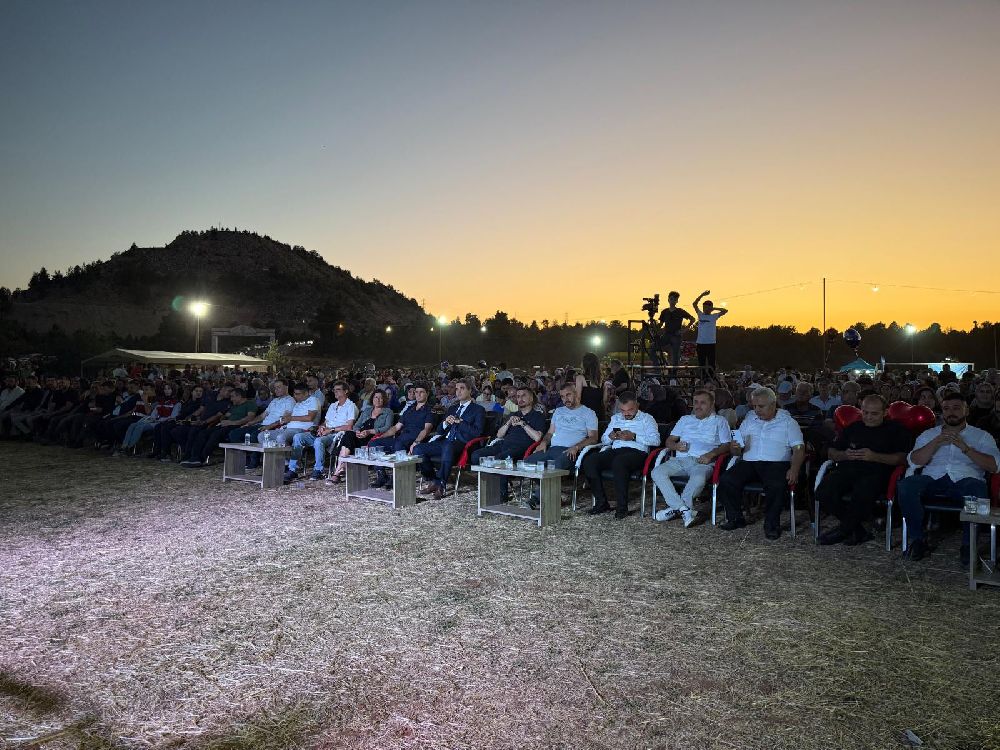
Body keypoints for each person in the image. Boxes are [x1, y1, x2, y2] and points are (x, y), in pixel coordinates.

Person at [896, 392, 1000, 564]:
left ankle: (968, 545)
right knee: (907, 485)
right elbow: (914, 461)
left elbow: (995, 466)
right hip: (932, 478)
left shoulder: (981, 436)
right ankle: (917, 540)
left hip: (966, 479)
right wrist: (935, 442)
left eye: (956, 408)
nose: (951, 412)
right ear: (941, 411)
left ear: (966, 410)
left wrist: (966, 449)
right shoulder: (929, 434)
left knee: (977, 489)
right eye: (946, 408)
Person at [815, 395, 911, 545]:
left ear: (885, 412)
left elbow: (902, 459)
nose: (869, 417)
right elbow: (831, 452)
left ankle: (844, 530)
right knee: (823, 492)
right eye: (865, 412)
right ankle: (857, 530)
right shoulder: (854, 427)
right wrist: (844, 455)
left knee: (863, 491)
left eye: (874, 414)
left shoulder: (896, 430)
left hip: (878, 472)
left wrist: (874, 456)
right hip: (848, 469)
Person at [717, 386, 805, 540]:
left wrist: (794, 468)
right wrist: (735, 448)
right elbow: (737, 449)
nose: (757, 410)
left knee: (776, 485)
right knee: (726, 479)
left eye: (761, 406)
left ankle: (771, 525)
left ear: (773, 404)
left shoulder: (788, 422)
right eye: (754, 406)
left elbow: (798, 448)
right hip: (749, 462)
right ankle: (735, 518)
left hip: (776, 463)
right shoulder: (749, 420)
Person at [651, 389, 731, 526]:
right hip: (680, 460)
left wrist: (711, 454)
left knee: (698, 479)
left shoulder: (720, 421)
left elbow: (727, 445)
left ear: (711, 405)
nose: (698, 406)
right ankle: (683, 509)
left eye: (703, 403)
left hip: (703, 461)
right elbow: (669, 441)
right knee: (657, 472)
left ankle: (676, 509)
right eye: (696, 402)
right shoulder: (685, 419)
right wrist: (675, 446)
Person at [582, 391, 661, 519]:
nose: (626, 414)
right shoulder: (616, 418)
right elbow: (604, 440)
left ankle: (622, 507)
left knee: (619, 462)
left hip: (637, 453)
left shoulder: (647, 419)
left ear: (637, 405)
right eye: (623, 410)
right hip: (617, 450)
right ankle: (601, 502)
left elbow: (656, 441)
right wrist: (611, 437)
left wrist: (634, 436)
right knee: (590, 461)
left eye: (630, 410)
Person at [413, 378, 485, 500]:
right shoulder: (452, 408)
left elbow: (477, 432)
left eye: (462, 388)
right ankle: (434, 480)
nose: (458, 391)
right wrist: (446, 422)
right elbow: (440, 430)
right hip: (445, 441)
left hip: (462, 443)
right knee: (418, 449)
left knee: (448, 445)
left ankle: (442, 484)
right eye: (457, 389)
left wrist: (460, 422)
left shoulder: (478, 410)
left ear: (470, 391)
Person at [366, 383, 435, 488]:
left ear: (427, 394)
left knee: (399, 444)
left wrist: (416, 442)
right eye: (416, 392)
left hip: (413, 441)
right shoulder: (410, 409)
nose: (418, 394)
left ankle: (396, 477)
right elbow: (396, 427)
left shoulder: (429, 410)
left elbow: (427, 429)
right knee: (374, 443)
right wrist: (382, 436)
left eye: (421, 392)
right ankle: (381, 475)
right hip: (401, 439)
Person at [525, 381, 599, 478]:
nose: (565, 399)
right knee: (527, 463)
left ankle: (545, 492)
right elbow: (550, 433)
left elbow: (593, 438)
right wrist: (544, 442)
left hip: (570, 451)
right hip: (553, 449)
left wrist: (576, 447)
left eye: (568, 395)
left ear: (576, 393)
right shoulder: (558, 411)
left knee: (554, 468)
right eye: (562, 397)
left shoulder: (588, 413)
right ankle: (543, 489)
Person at [289, 381, 358, 481]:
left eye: (338, 390)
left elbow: (349, 427)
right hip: (326, 431)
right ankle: (293, 469)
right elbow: (325, 422)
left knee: (319, 441)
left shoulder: (351, 406)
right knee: (298, 437)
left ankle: (318, 469)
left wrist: (330, 430)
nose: (335, 392)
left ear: (346, 391)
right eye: (334, 390)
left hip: (336, 434)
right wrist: (322, 427)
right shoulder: (333, 405)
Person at [324, 390, 395, 483]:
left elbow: (387, 428)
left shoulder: (388, 412)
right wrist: (357, 431)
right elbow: (356, 425)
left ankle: (338, 472)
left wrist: (370, 431)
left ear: (384, 399)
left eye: (381, 398)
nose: (378, 400)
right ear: (372, 399)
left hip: (375, 437)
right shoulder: (367, 410)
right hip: (362, 435)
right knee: (349, 434)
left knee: (348, 440)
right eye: (376, 397)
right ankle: (340, 469)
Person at [471, 386, 546, 467]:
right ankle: (484, 478)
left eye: (523, 395)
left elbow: (537, 437)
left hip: (519, 448)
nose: (520, 399)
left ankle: (492, 478)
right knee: (476, 455)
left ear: (531, 398)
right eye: (518, 396)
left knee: (498, 460)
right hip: (503, 445)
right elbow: (499, 435)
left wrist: (522, 423)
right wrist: (509, 422)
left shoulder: (538, 416)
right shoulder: (513, 414)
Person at [183, 387, 258, 467]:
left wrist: (232, 422)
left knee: (216, 434)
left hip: (237, 426)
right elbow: (226, 415)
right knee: (203, 433)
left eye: (232, 396)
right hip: (225, 424)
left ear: (239, 396)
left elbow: (250, 418)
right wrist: (223, 419)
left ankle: (203, 458)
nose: (231, 399)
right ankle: (195, 457)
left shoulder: (250, 404)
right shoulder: (234, 406)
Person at [692, 290, 728, 383]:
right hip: (700, 343)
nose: (705, 309)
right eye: (704, 307)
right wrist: (702, 295)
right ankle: (703, 378)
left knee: (711, 363)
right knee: (702, 363)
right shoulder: (700, 314)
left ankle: (712, 378)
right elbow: (694, 304)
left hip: (711, 343)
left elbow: (725, 310)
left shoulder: (714, 316)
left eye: (707, 308)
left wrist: (713, 308)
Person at [657, 291, 696, 373]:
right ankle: (658, 367)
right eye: (671, 299)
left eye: (675, 299)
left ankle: (673, 375)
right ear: (668, 300)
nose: (673, 301)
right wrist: (654, 326)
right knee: (653, 347)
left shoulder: (680, 311)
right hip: (666, 335)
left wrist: (685, 329)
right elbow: (660, 325)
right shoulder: (665, 312)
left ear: (677, 301)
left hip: (676, 336)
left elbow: (693, 319)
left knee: (675, 356)